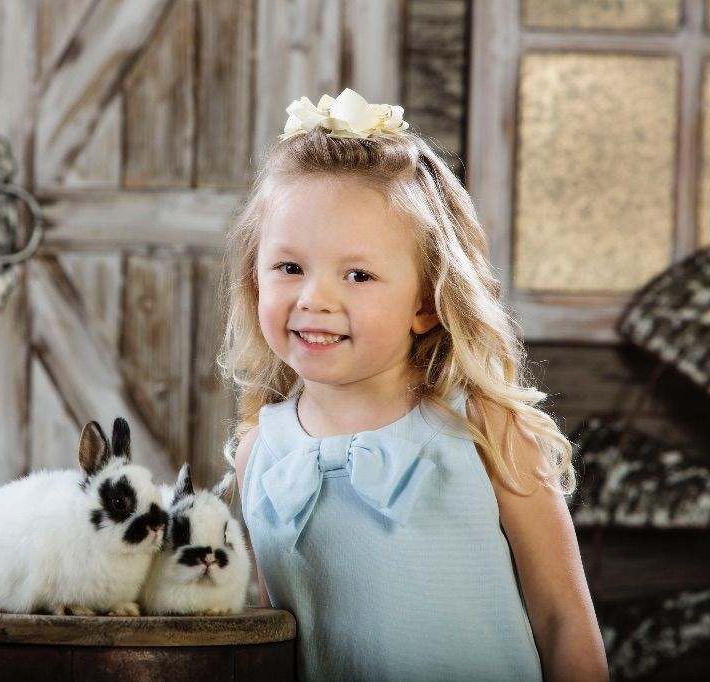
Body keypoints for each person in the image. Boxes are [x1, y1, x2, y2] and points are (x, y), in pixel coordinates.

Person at [219, 88, 608, 681]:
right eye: (289, 267)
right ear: (254, 278)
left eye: (358, 274)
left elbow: (563, 620)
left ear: (426, 303)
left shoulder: (482, 430)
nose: (314, 299)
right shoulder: (261, 455)